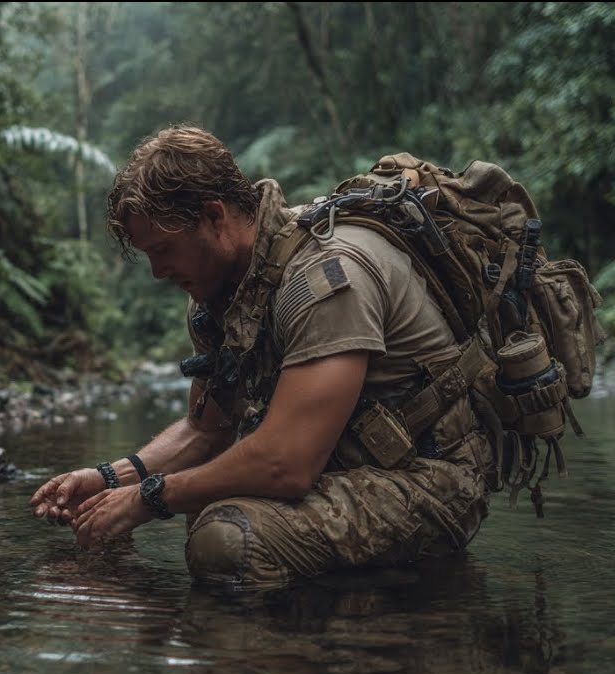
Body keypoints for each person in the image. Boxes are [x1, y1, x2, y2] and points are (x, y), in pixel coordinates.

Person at [30, 125, 495, 590]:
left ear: (214, 216)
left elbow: (286, 464)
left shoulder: (324, 278)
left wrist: (147, 498)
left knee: (224, 539)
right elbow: (205, 430)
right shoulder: (217, 296)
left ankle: (361, 624)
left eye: (164, 249)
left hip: (428, 481)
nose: (156, 272)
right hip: (343, 472)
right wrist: (110, 480)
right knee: (201, 502)